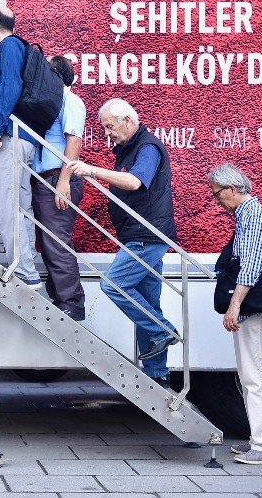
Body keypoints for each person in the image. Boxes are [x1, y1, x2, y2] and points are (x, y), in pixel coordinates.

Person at [68, 98, 178, 387]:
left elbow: (134, 182)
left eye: (110, 127)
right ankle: (157, 373)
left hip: (146, 236)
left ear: (128, 120)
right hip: (140, 234)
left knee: (113, 284)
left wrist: (92, 170)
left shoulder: (148, 147)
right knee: (148, 302)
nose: (108, 133)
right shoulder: (131, 147)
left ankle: (162, 330)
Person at [208, 163, 262, 465]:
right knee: (252, 374)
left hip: (254, 310)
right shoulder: (249, 216)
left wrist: (234, 305)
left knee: (256, 377)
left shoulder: (254, 216)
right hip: (258, 308)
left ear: (232, 188)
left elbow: (251, 266)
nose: (217, 201)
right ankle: (259, 439)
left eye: (217, 195)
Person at [0, 6, 40, 287]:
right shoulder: (19, 47)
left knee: (8, 207)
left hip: (10, 136)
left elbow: (9, 86)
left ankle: (23, 272)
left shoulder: (8, 47)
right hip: (25, 139)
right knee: (21, 207)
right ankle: (27, 269)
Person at [31, 56, 86, 318]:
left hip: (58, 179)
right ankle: (61, 298)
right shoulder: (50, 101)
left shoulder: (71, 101)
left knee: (57, 242)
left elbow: (73, 142)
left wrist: (63, 182)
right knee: (48, 242)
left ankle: (72, 303)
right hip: (46, 179)